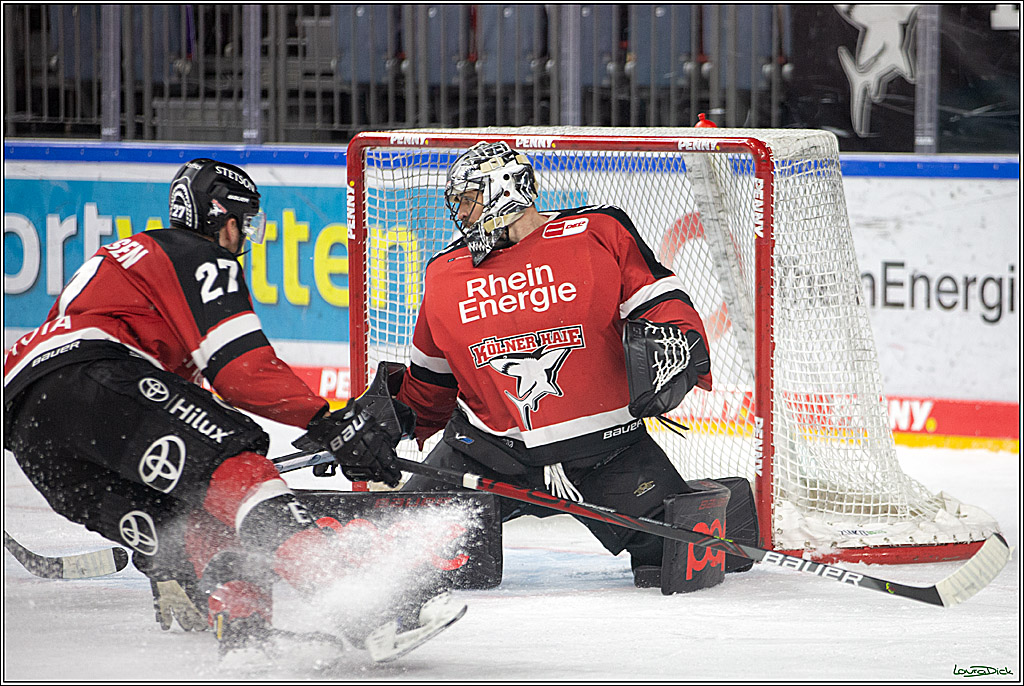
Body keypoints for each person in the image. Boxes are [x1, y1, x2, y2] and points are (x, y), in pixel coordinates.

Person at [2, 158, 421, 648]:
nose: (245, 239)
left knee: (195, 518)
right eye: (247, 225)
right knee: (239, 464)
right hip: (94, 378)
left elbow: (143, 403)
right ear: (224, 219)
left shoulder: (120, 266)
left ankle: (246, 640)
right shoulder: (195, 254)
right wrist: (327, 421)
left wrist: (167, 563)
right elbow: (241, 372)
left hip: (30, 435)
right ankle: (355, 601)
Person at [396, 142, 715, 588]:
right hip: (489, 454)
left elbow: (660, 301)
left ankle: (714, 503)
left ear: (504, 191)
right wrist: (392, 425)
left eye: (469, 200)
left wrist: (680, 344)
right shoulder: (445, 271)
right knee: (397, 548)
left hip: (607, 451)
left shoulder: (596, 230)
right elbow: (429, 377)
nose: (461, 215)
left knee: (681, 558)